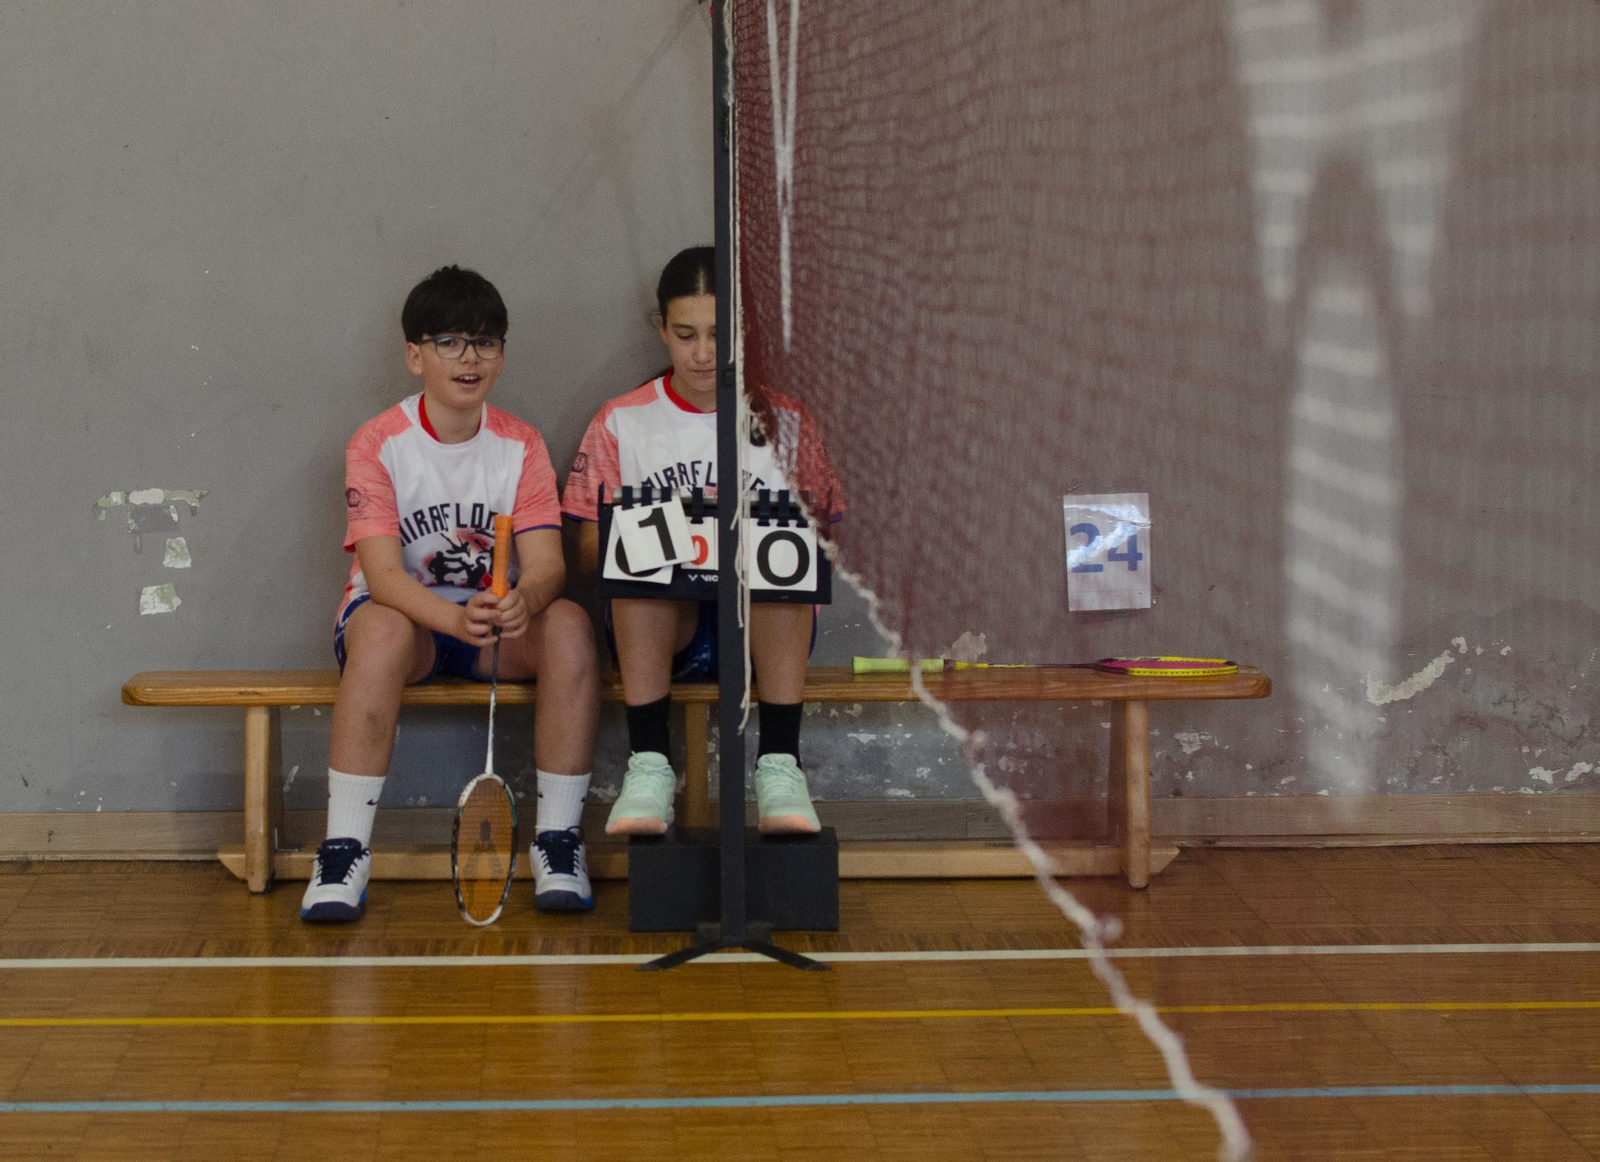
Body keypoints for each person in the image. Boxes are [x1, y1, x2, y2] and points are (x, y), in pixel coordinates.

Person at [302, 265, 600, 923]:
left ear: (502, 355)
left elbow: (547, 567)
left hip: (493, 627)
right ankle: (343, 851)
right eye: (450, 342)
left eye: (485, 342)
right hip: (405, 625)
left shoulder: (521, 444)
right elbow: (383, 577)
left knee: (570, 623)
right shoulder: (378, 443)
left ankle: (557, 842)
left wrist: (526, 600)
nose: (470, 358)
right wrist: (451, 617)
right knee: (382, 630)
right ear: (416, 356)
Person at [563, 246, 843, 838]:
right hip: (668, 629)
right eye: (686, 334)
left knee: (781, 569)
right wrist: (662, 534)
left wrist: (742, 540)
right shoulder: (621, 420)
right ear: (661, 328)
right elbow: (589, 555)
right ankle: (649, 766)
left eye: (719, 334)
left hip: (762, 634)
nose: (703, 353)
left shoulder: (787, 421)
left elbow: (821, 546)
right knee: (635, 572)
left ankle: (781, 766)